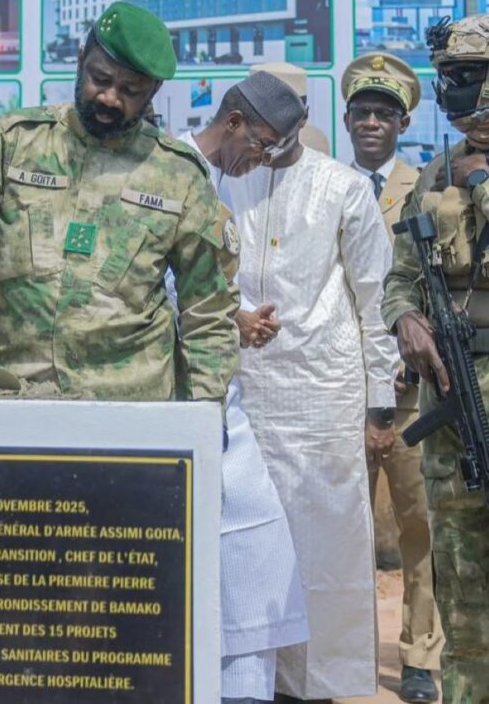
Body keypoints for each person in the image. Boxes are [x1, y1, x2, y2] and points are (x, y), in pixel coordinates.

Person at [0, 2, 240, 404]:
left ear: (154, 92)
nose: (109, 98)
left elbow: (209, 312)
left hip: (130, 413)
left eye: (130, 91)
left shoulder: (179, 175)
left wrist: (205, 413)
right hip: (16, 399)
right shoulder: (16, 141)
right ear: (79, 61)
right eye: (100, 79)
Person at [225, 61, 398, 702]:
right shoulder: (220, 177)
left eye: (294, 106)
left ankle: (315, 687)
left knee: (323, 552)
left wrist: (380, 405)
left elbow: (376, 298)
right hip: (238, 396)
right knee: (243, 548)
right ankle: (248, 684)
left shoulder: (342, 186)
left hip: (323, 397)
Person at [179, 71, 311, 704]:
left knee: (254, 555)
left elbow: (191, 290)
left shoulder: (214, 185)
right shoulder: (173, 173)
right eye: (260, 144)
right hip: (174, 400)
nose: (260, 158)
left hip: (216, 393)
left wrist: (234, 318)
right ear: (233, 122)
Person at [383, 14, 489, 703]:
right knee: (462, 585)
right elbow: (398, 276)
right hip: (455, 409)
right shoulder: (430, 176)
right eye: (448, 80)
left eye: (468, 80)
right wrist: (405, 319)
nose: (455, 95)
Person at [342, 51, 443, 704]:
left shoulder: (427, 186)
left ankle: (417, 655)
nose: (372, 121)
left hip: (409, 392)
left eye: (385, 112)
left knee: (419, 529)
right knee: (336, 525)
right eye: (362, 111)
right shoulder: (326, 184)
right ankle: (338, 653)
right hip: (340, 388)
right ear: (347, 118)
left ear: (404, 121)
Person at [249, 62, 330, 155]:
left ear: (304, 117)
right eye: (260, 113)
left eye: (282, 114)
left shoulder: (323, 165)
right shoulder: (234, 161)